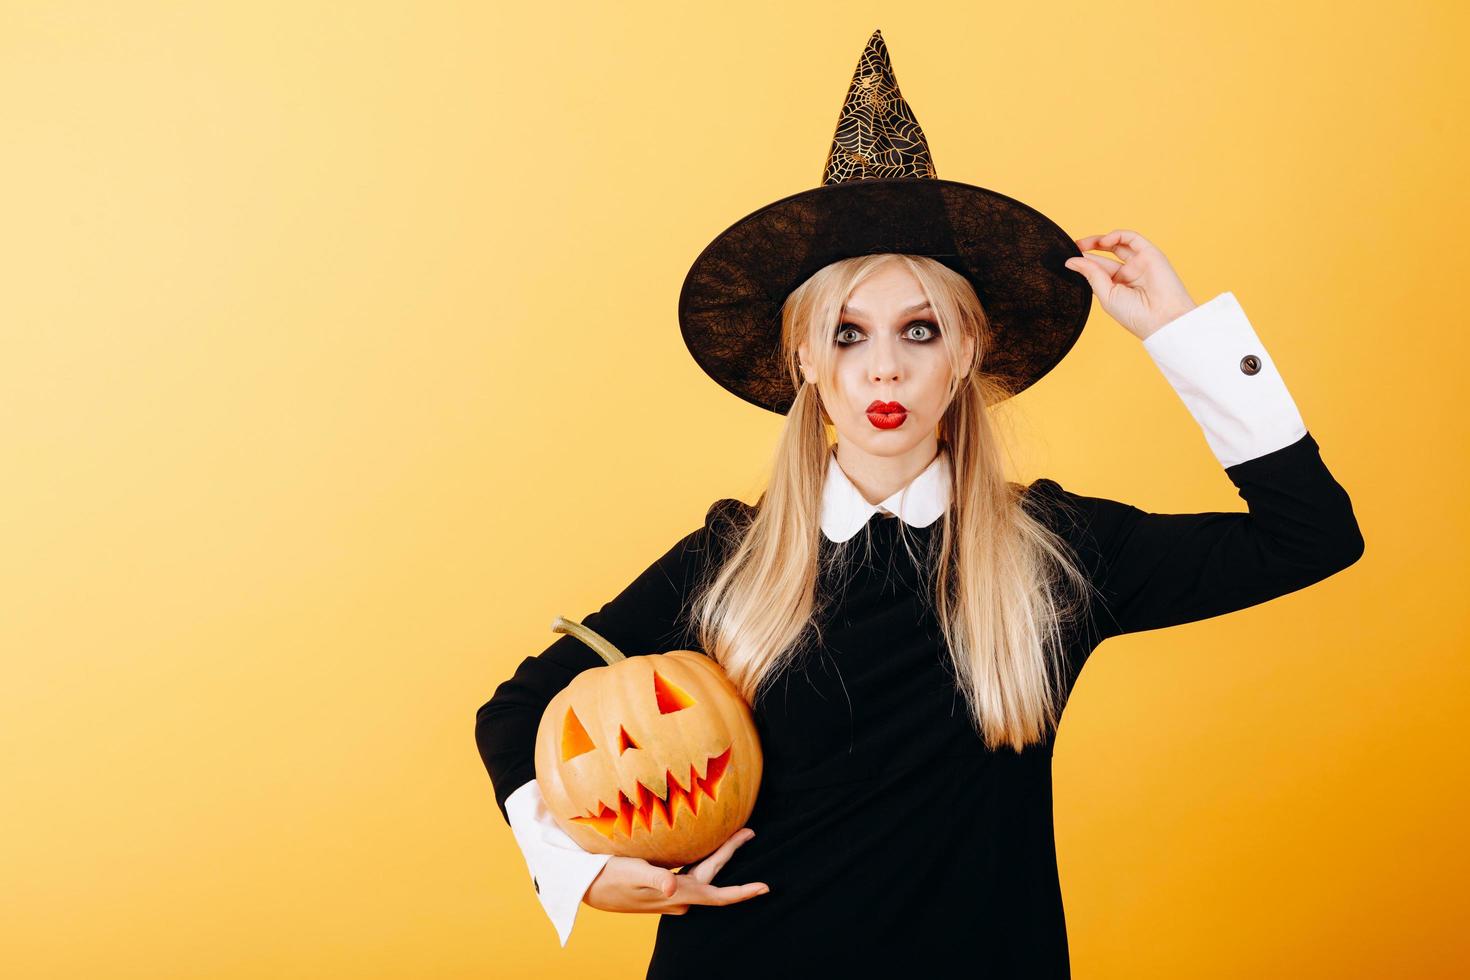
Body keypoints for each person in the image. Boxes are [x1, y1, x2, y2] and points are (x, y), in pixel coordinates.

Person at [474, 30, 1364, 979]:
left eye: (921, 329)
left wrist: (1182, 335)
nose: (885, 366)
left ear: (969, 352)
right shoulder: (731, 556)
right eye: (849, 334)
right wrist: (577, 871)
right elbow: (518, 710)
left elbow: (1311, 536)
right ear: (805, 362)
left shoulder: (1054, 551)